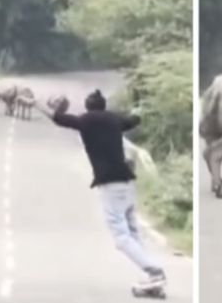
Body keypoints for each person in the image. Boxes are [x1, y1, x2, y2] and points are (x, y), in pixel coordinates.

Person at [38, 90, 166, 291]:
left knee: (122, 238)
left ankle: (156, 272)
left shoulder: (85, 121)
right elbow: (135, 118)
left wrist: (35, 103)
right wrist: (140, 101)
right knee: (133, 232)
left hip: (109, 185)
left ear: (88, 106)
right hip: (127, 183)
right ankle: (152, 274)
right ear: (104, 105)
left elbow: (57, 118)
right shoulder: (115, 119)